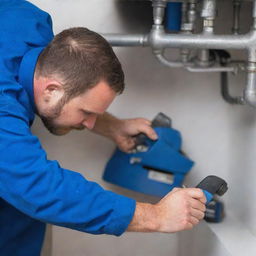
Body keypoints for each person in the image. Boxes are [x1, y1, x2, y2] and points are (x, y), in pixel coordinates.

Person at [0, 0, 206, 255]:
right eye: (86, 113)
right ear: (51, 88)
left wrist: (112, 126)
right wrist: (157, 216)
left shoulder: (31, 21)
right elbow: (38, 187)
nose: (89, 123)